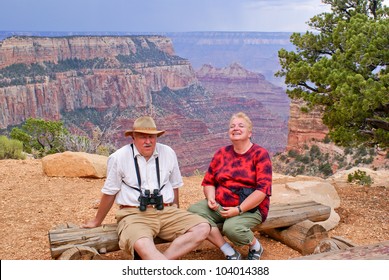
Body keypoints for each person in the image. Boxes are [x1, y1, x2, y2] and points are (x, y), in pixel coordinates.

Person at [82, 116, 211, 260]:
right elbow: (110, 192)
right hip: (134, 214)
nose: (148, 141)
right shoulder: (118, 157)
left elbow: (174, 185)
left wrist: (176, 208)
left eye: (152, 137)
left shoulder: (168, 153)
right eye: (143, 137)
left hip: (166, 210)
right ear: (133, 137)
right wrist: (97, 221)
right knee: (143, 244)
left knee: (203, 228)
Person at [188, 112, 272, 260]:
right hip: (220, 204)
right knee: (193, 213)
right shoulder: (221, 153)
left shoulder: (260, 154)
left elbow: (262, 191)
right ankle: (228, 251)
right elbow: (209, 182)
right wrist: (211, 198)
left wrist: (238, 210)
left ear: (250, 132)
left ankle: (255, 246)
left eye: (241, 125)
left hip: (249, 208)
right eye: (232, 126)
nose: (235, 128)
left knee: (232, 229)